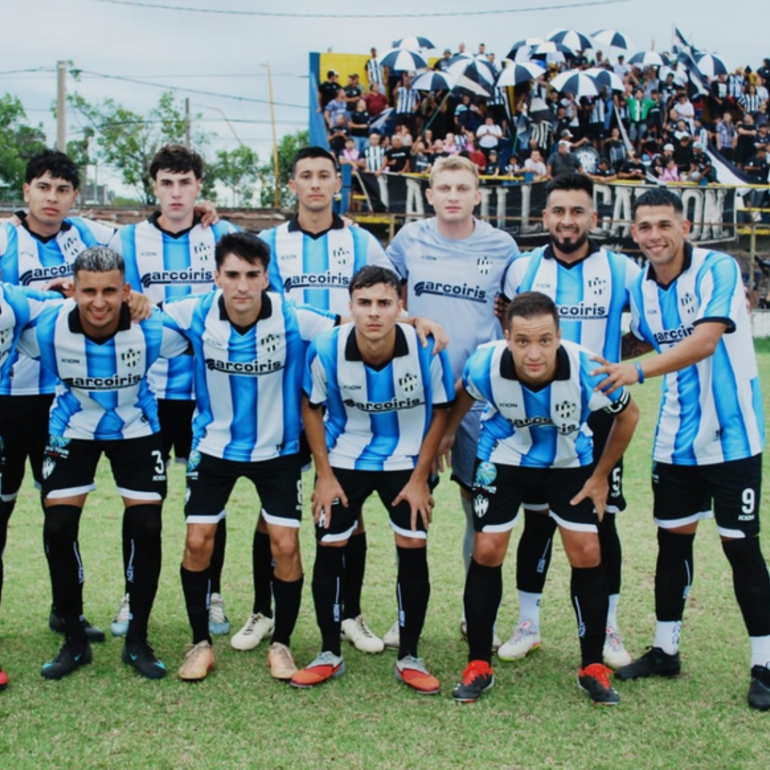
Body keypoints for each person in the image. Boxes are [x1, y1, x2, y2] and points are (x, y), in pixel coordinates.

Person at [592, 188, 770, 712]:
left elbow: (706, 340)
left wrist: (636, 370)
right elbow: (640, 339)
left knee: (741, 548)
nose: (654, 236)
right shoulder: (643, 285)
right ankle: (666, 650)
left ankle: (764, 663)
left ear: (685, 227)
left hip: (733, 437)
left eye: (663, 225)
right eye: (644, 227)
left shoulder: (718, 268)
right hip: (675, 442)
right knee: (673, 545)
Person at [446, 291, 639, 705]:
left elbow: (629, 415)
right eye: (522, 341)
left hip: (570, 463)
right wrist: (445, 437)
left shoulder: (588, 369)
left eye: (545, 341)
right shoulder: (485, 363)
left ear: (558, 336)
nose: (534, 353)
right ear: (507, 336)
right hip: (504, 457)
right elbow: (463, 395)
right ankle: (478, 663)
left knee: (587, 551)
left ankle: (592, 666)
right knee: (487, 549)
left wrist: (602, 475)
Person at [163, 233, 337, 682]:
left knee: (286, 546)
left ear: (266, 278)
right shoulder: (193, 312)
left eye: (252, 275)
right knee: (197, 541)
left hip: (276, 450)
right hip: (214, 448)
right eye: (233, 275)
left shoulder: (297, 319)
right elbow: (139, 316)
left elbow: (358, 321)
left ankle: (281, 644)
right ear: (217, 276)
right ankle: (200, 643)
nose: (242, 286)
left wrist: (415, 319)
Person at [18, 246, 185, 680]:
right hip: (72, 427)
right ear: (72, 290)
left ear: (125, 291)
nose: (98, 301)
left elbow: (197, 333)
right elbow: (13, 321)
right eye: (88, 291)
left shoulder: (153, 328)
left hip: (137, 426)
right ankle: (73, 639)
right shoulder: (48, 326)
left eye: (109, 291)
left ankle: (137, 640)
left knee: (147, 527)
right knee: (57, 527)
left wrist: (158, 304)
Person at [250, 147, 392, 656]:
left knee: (348, 507)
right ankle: (262, 611)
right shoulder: (268, 242)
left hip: (350, 391)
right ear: (292, 185)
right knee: (275, 508)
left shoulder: (363, 241)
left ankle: (350, 613)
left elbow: (390, 306)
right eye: (305, 176)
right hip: (285, 389)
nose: (314, 184)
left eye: (324, 176)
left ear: (339, 183)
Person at [499, 174, 642, 669]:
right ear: (545, 218)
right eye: (558, 211)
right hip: (533, 416)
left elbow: (645, 331)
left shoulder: (622, 269)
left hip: (597, 419)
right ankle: (528, 623)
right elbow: (508, 328)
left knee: (602, 522)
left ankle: (608, 628)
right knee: (536, 521)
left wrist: (617, 372)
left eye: (577, 211)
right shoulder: (520, 268)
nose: (567, 220)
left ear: (593, 219)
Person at [293, 266, 453, 693]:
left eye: (384, 303)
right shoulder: (327, 347)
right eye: (364, 304)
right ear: (351, 307)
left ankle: (410, 657)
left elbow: (441, 409)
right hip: (345, 455)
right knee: (329, 547)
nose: (374, 313)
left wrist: (421, 477)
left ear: (401, 306)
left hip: (405, 459)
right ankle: (329, 652)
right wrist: (323, 474)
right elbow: (312, 406)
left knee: (413, 549)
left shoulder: (426, 348)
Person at [385, 156, 520, 649]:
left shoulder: (501, 245)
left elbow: (516, 308)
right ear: (430, 194)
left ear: (478, 194)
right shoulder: (409, 240)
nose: (453, 196)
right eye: (444, 187)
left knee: (475, 506)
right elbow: (378, 293)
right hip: (418, 394)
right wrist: (409, 318)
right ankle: (407, 615)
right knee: (409, 507)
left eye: (463, 187)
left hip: (479, 397)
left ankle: (473, 611)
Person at [109, 145, 237, 639]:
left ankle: (212, 596)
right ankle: (131, 592)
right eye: (167, 183)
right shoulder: (127, 238)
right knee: (143, 503)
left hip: (211, 391)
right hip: (149, 391)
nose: (177, 192)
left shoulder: (222, 235)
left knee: (209, 502)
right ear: (154, 187)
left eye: (185, 183)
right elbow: (101, 287)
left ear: (199, 186)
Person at [0, 149, 116, 643]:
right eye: (43, 187)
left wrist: (203, 214)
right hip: (8, 397)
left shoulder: (88, 236)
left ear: (74, 197)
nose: (52, 198)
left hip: (64, 401)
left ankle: (67, 613)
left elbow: (145, 239)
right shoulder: (3, 236)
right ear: (26, 191)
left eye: (63, 189)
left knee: (62, 515)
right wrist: (51, 296)